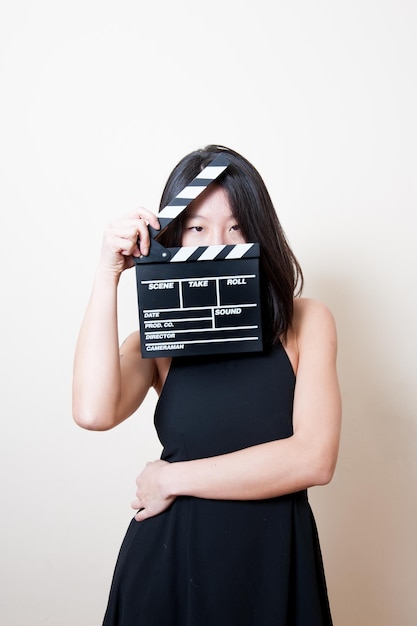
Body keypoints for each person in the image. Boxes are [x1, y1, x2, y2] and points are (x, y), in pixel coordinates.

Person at [72, 145, 342, 625]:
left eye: (236, 225)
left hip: (274, 562)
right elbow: (94, 412)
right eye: (196, 227)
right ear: (175, 235)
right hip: (172, 564)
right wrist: (107, 273)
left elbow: (313, 458)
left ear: (258, 232)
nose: (215, 242)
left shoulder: (306, 321)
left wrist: (172, 478)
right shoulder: (160, 341)